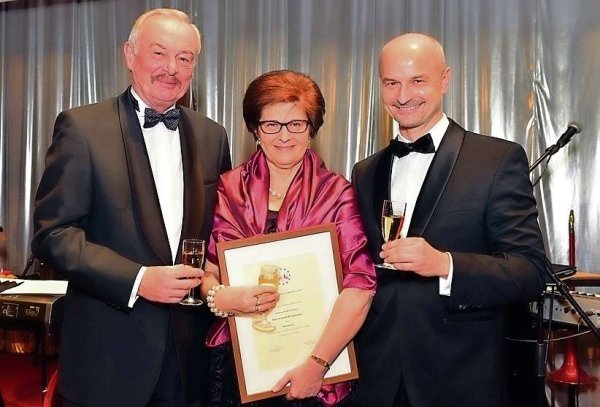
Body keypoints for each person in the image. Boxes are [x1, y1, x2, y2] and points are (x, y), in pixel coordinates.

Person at [31, 8, 231, 407]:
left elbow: (221, 232)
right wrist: (138, 280)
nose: (171, 68)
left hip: (188, 361)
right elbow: (53, 234)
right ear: (129, 54)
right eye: (159, 53)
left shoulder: (213, 136)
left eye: (185, 58)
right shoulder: (82, 128)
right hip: (108, 359)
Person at [351, 33, 548, 407]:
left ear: (445, 79)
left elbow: (530, 270)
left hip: (461, 377)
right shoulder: (365, 171)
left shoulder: (495, 160)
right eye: (391, 83)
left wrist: (445, 264)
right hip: (378, 378)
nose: (403, 96)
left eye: (417, 80)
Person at [198, 70, 376, 407]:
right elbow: (210, 272)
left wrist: (316, 365)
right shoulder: (227, 188)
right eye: (271, 124)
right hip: (240, 367)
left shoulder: (337, 193)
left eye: (296, 123)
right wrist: (219, 296)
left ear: (311, 129)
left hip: (315, 373)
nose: (284, 135)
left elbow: (361, 285)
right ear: (255, 129)